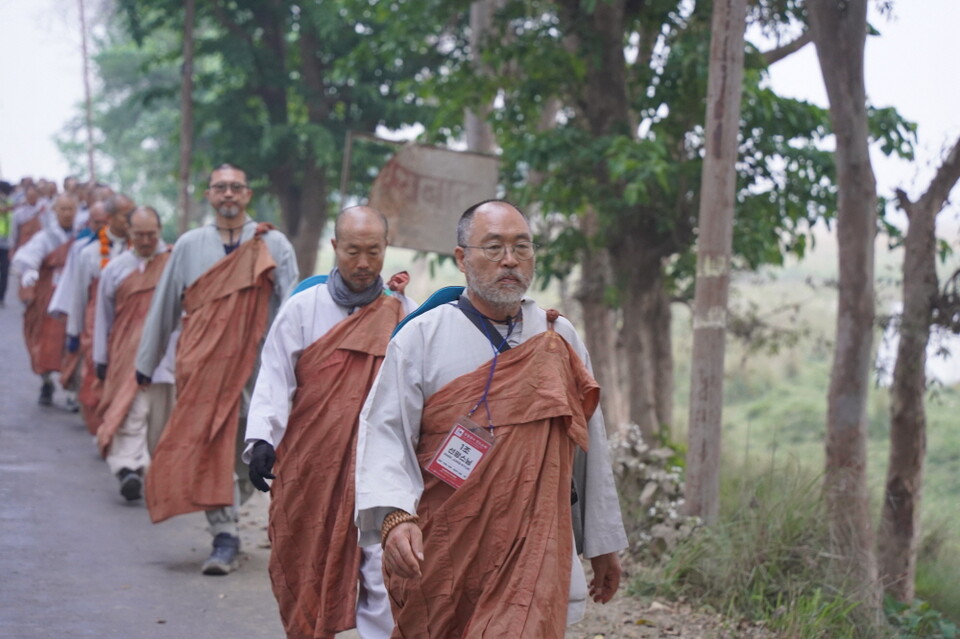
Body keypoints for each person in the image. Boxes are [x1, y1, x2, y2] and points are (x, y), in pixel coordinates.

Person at [355, 200, 627, 637]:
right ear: (462, 258)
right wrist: (394, 517)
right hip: (445, 548)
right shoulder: (423, 337)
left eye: (522, 247)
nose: (510, 260)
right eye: (494, 247)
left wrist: (602, 542)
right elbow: (386, 433)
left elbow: (586, 446)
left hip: (535, 547)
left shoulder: (558, 337)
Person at [245, 206, 414, 639]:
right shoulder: (304, 307)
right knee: (307, 562)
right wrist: (263, 438)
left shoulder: (404, 313)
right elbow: (275, 376)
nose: (363, 263)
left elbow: (421, 389)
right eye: (353, 251)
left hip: (381, 465)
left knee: (382, 571)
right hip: (312, 464)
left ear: (385, 249)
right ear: (335, 247)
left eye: (373, 252)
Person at [136, 163, 298, 575]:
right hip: (202, 364)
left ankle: (229, 503)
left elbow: (294, 309)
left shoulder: (275, 244)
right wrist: (145, 362)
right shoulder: (189, 244)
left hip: (256, 366)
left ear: (247, 195)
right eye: (220, 187)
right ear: (209, 195)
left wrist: (300, 368)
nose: (228, 194)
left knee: (253, 450)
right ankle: (224, 533)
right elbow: (165, 306)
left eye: (235, 188)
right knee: (208, 448)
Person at [93, 206, 174, 501]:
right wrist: (100, 359)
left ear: (160, 231)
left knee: (159, 422)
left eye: (151, 234)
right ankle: (127, 468)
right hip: (126, 357)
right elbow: (103, 318)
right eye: (139, 234)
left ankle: (150, 471)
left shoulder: (173, 264)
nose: (145, 240)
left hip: (167, 360)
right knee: (131, 411)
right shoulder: (115, 269)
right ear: (129, 233)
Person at [67, 194, 134, 432]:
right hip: (95, 325)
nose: (131, 220)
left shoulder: (140, 251)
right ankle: (98, 424)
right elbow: (79, 296)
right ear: (109, 218)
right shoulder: (90, 252)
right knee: (94, 374)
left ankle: (117, 424)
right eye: (126, 215)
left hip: (128, 326)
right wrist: (74, 332)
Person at [11, 194, 78, 405]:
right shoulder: (45, 237)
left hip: (73, 297)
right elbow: (25, 259)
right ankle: (46, 381)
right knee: (44, 341)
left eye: (71, 209)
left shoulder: (81, 236)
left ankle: (70, 391)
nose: (67, 213)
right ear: (54, 211)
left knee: (72, 343)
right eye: (63, 209)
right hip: (48, 295)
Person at [0, 181, 14, 307]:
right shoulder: (8, 204)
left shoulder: (9, 202)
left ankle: (2, 296)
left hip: (5, 241)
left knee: (4, 270)